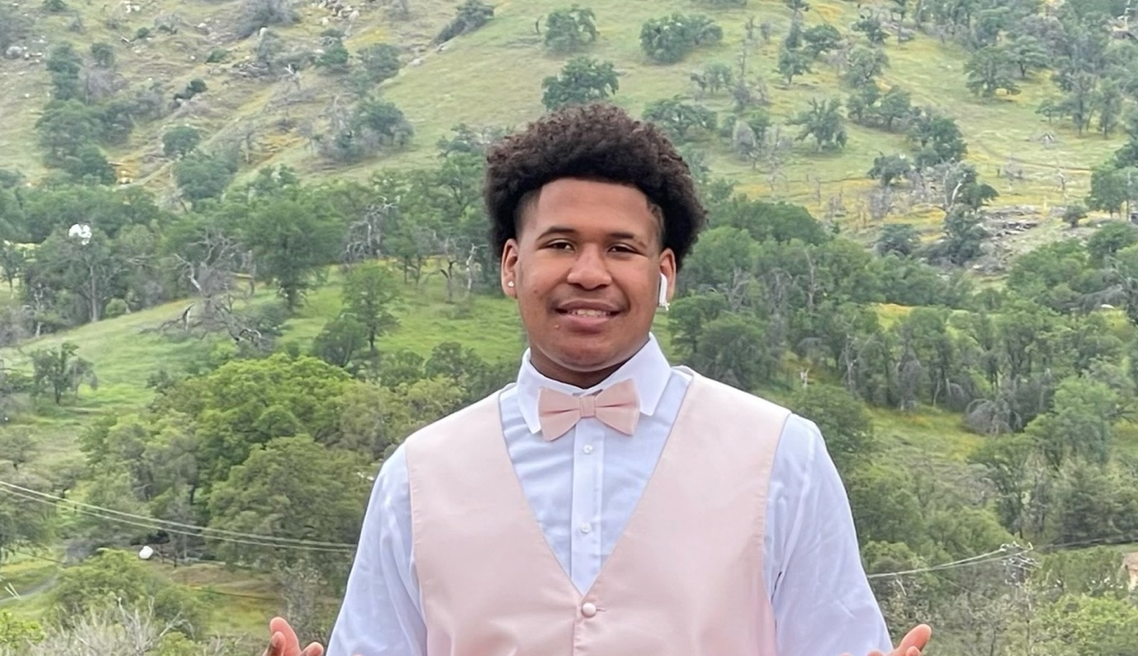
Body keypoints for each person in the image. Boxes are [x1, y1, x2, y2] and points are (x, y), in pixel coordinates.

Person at [264, 102, 933, 656]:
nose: (589, 273)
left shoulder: (782, 456)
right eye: (560, 245)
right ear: (511, 266)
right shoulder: (417, 476)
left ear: (664, 274)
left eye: (621, 248)